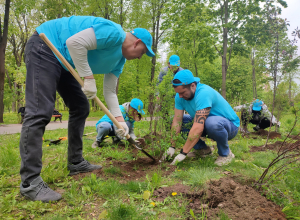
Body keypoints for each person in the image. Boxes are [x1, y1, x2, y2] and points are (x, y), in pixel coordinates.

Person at [19, 16, 155, 202]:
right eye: (143, 52)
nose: (141, 57)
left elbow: (110, 92)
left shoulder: (119, 62)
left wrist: (120, 122)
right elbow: (74, 43)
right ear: (137, 42)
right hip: (47, 46)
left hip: (65, 61)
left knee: (81, 107)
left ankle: (75, 162)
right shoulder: (114, 33)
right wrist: (88, 78)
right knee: (40, 111)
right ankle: (30, 182)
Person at [160, 70, 240, 166]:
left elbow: (198, 126)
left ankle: (225, 154)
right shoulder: (179, 96)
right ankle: (203, 150)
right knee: (180, 120)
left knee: (212, 123)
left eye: (183, 92)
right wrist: (172, 146)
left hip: (230, 126)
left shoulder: (203, 93)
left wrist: (183, 153)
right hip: (206, 124)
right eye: (178, 93)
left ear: (192, 85)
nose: (180, 96)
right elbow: (177, 121)